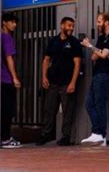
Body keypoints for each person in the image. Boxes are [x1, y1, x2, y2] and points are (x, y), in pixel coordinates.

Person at [36, 17, 83, 146]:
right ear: (62, 26)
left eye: (72, 26)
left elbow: (77, 63)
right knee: (49, 109)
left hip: (67, 82)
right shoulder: (53, 41)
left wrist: (73, 82)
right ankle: (46, 135)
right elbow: (46, 60)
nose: (71, 28)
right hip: (53, 82)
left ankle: (66, 137)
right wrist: (44, 77)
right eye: (69, 25)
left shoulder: (74, 43)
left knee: (68, 111)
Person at [80, 13, 109, 147]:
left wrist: (90, 46)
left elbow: (104, 55)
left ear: (106, 22)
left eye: (99, 21)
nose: (97, 24)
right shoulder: (102, 38)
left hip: (105, 74)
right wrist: (97, 50)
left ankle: (98, 133)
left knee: (99, 104)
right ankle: (101, 136)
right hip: (97, 75)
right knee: (89, 104)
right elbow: (94, 58)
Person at [0, 12, 22, 149]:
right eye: (12, 22)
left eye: (15, 22)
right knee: (8, 111)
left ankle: (4, 137)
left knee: (3, 110)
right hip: (6, 79)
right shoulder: (7, 38)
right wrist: (15, 78)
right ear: (4, 22)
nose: (15, 25)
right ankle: (6, 139)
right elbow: (9, 58)